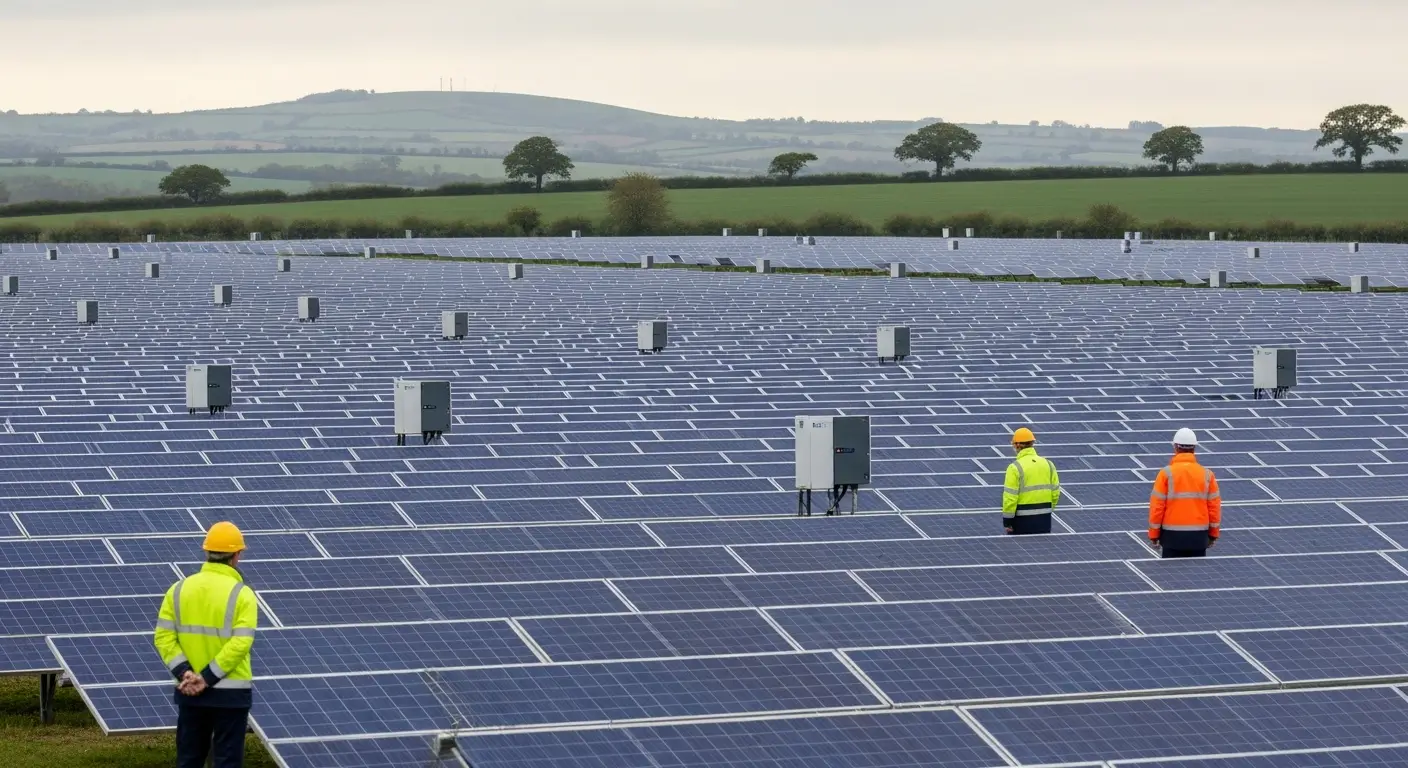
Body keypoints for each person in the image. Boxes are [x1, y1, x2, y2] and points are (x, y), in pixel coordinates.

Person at [153, 522, 258, 768]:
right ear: (236, 556)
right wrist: (208, 677)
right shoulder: (242, 594)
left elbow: (163, 638)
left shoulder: (178, 590)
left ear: (206, 553)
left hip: (190, 692)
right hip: (231, 694)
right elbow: (240, 643)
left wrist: (186, 673)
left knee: (189, 760)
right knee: (227, 762)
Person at [1148, 428, 1222, 558]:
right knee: (1195, 577)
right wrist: (1213, 534)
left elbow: (1157, 507)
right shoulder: (1207, 475)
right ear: (1194, 448)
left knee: (1171, 577)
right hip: (1198, 537)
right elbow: (1214, 508)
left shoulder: (1166, 473)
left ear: (1175, 447)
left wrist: (1154, 534)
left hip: (1171, 537)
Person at [1002, 427, 1060, 534]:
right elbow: (1055, 493)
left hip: (1021, 522)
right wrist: (1047, 511)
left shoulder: (1014, 467)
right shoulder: (1048, 464)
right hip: (1044, 521)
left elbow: (1010, 499)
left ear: (1017, 445)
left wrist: (1007, 521)